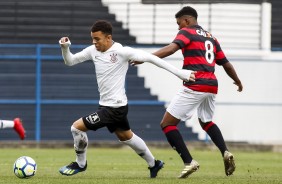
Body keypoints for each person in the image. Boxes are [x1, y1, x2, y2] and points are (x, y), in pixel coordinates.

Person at [58, 20, 196, 178]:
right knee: (126, 136)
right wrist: (65, 48)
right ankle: (154, 164)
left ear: (108, 38)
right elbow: (70, 61)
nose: (94, 42)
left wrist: (180, 73)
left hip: (114, 108)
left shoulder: (122, 52)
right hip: (109, 106)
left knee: (76, 128)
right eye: (92, 39)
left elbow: (152, 58)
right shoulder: (92, 51)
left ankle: (80, 164)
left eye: (97, 39)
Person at [133, 6, 243, 178]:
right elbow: (226, 64)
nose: (178, 28)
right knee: (206, 121)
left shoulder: (187, 32)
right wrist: (237, 80)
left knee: (167, 124)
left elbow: (170, 49)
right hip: (212, 85)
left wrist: (146, 58)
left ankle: (188, 162)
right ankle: (225, 152)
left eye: (179, 23)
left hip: (195, 83)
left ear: (187, 20)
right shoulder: (211, 38)